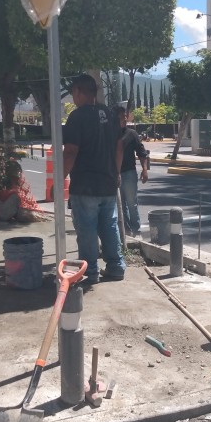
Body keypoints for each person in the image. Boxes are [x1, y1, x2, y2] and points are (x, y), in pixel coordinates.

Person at [63, 74, 126, 285]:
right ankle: (116, 267)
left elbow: (70, 151)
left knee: (87, 228)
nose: (73, 98)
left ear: (79, 92)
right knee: (109, 225)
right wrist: (116, 172)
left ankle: (90, 271)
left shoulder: (77, 117)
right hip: (108, 183)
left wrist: (59, 177)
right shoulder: (109, 115)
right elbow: (119, 148)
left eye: (73, 94)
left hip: (85, 185)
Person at [118, 108, 149, 237]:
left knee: (131, 203)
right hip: (115, 174)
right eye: (121, 117)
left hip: (129, 173)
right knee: (120, 205)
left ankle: (136, 230)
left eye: (126, 116)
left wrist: (145, 169)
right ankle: (126, 230)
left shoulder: (132, 134)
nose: (125, 119)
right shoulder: (109, 134)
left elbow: (141, 152)